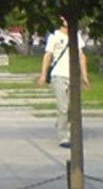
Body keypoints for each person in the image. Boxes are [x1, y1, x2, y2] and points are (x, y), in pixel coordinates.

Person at [37, 17, 90, 147]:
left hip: (73, 76)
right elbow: (48, 55)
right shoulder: (54, 36)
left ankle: (68, 129)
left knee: (73, 107)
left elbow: (81, 56)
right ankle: (64, 137)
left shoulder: (76, 36)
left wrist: (84, 76)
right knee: (63, 107)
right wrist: (43, 74)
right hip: (58, 75)